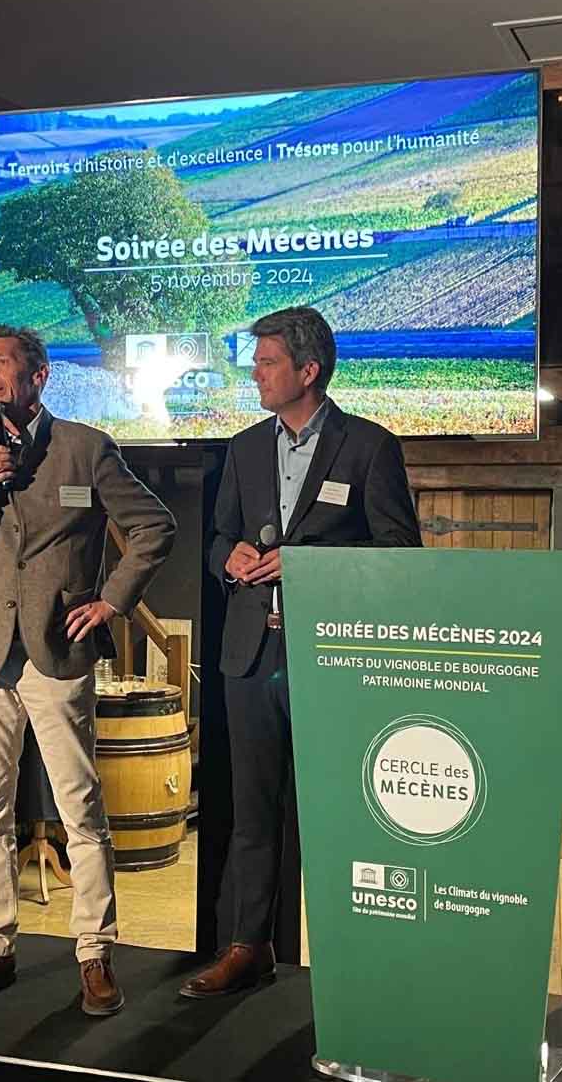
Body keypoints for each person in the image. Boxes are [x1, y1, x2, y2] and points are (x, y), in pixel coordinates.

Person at [181, 306, 422, 999]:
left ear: (307, 371)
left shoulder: (369, 447)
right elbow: (217, 537)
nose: (252, 373)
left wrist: (304, 562)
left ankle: (359, 963)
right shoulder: (243, 447)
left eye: (265, 363)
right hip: (250, 657)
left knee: (343, 818)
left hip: (335, 657)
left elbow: (399, 553)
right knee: (252, 813)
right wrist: (233, 556)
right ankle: (246, 945)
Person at [0, 324, 175, 1015]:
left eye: (1, 364)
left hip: (58, 652)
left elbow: (155, 527)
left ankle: (94, 952)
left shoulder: (87, 449)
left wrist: (112, 600)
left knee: (80, 808)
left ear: (39, 374)